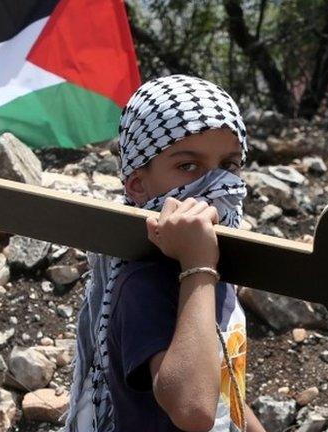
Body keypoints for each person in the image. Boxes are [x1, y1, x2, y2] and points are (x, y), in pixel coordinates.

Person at [62, 74, 266, 432]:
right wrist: (198, 265)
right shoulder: (145, 284)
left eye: (229, 166)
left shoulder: (209, 266)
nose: (216, 183)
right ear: (138, 185)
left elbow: (222, 387)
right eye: (188, 166)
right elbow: (194, 411)